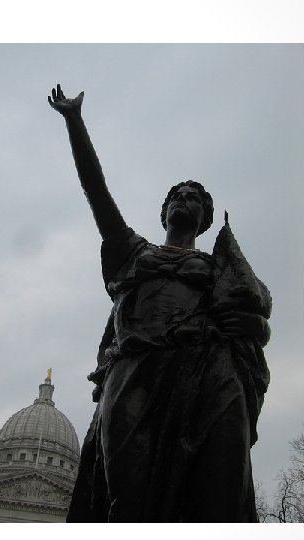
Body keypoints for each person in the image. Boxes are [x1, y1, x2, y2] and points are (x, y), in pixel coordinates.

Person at [49, 84, 271, 522]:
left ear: (205, 219)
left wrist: (257, 326)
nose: (184, 199)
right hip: (137, 372)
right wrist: (75, 123)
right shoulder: (131, 252)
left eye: (194, 198)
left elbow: (255, 307)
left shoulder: (217, 268)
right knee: (128, 499)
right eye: (177, 196)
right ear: (164, 211)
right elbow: (97, 191)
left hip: (208, 372)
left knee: (219, 494)